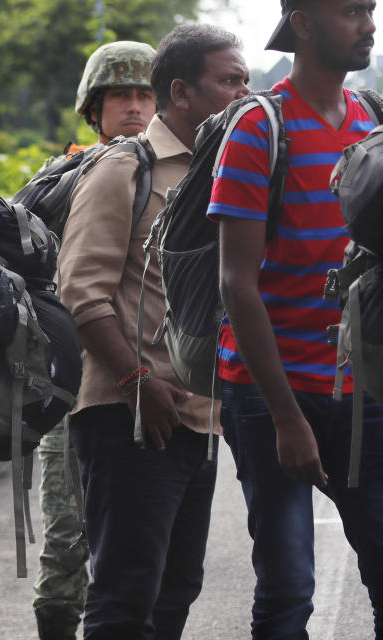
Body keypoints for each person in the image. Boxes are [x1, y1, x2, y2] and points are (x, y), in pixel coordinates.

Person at [56, 25, 249, 639]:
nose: (244, 93)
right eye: (229, 81)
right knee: (123, 596)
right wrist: (137, 380)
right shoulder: (124, 169)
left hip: (198, 416)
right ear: (182, 93)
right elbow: (80, 291)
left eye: (245, 79)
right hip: (129, 417)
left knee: (176, 592)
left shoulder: (224, 171)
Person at [209, 0, 383, 636]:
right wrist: (287, 419)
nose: (368, 24)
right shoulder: (259, 127)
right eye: (350, 11)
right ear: (304, 24)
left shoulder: (370, 120)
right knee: (287, 589)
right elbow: (237, 283)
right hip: (270, 393)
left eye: (370, 9)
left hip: (358, 390)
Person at [32, 39, 157, 640]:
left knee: (150, 551)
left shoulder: (183, 177)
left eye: (144, 95)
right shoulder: (60, 180)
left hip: (159, 382)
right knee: (64, 545)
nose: (133, 108)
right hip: (73, 382)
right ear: (94, 106)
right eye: (120, 96)